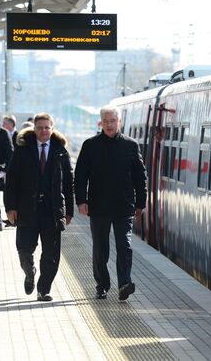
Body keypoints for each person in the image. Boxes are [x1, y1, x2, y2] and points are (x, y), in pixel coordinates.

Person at [74, 105, 147, 301]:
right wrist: (81, 201)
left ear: (119, 122)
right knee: (100, 248)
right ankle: (102, 285)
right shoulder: (90, 145)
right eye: (105, 121)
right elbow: (80, 176)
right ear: (101, 123)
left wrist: (141, 202)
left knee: (125, 245)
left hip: (124, 206)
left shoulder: (131, 146)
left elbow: (140, 177)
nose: (109, 125)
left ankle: (124, 283)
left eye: (113, 121)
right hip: (98, 207)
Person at [4, 113, 74, 302]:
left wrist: (69, 212)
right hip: (26, 209)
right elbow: (11, 180)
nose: (43, 131)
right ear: (34, 129)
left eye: (47, 127)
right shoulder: (23, 150)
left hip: (52, 211)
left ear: (52, 128)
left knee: (51, 254)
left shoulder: (60, 151)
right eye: (40, 127)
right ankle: (29, 272)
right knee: (24, 248)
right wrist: (10, 207)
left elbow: (68, 184)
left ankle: (44, 289)